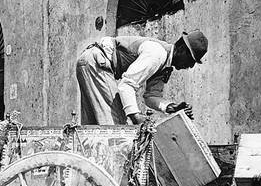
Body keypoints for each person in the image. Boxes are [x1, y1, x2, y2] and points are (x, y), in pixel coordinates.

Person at [75, 30, 207, 125]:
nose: (190, 66)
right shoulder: (157, 54)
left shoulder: (164, 65)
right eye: (191, 60)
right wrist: (135, 116)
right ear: (182, 49)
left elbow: (151, 97)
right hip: (96, 63)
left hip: (91, 62)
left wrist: (171, 107)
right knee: (117, 128)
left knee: (92, 128)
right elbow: (126, 85)